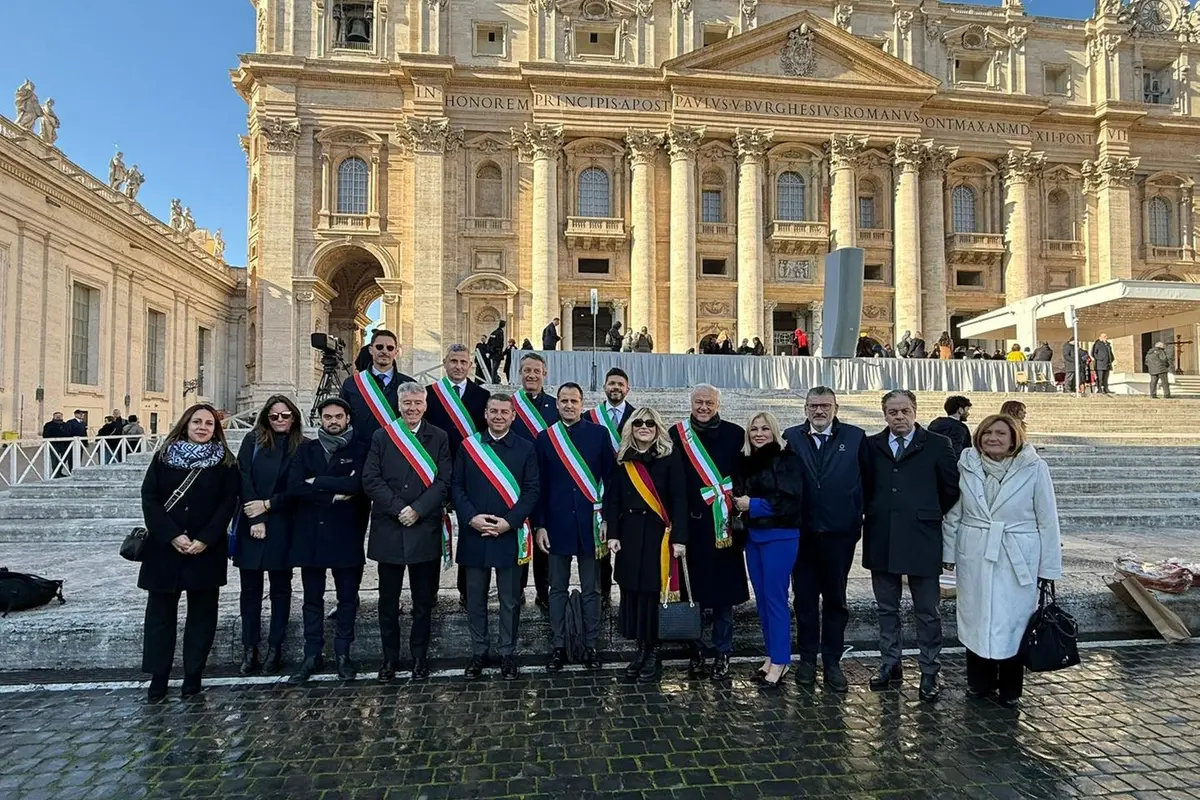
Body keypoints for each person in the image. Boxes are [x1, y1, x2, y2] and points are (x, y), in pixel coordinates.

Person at [943, 414, 1062, 707]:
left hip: (1017, 552)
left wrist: (1048, 567)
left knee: (1015, 621)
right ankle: (979, 683)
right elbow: (954, 514)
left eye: (1000, 433)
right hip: (975, 550)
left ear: (1014, 438)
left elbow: (1047, 520)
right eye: (987, 433)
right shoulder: (965, 465)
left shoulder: (1034, 468)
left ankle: (1010, 687)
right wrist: (948, 555)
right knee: (976, 616)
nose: (993, 438)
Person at [862, 390, 960, 702]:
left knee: (927, 610)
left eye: (904, 410)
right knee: (886, 608)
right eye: (892, 412)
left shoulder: (937, 444)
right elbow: (864, 485)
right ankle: (890, 663)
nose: (899, 417)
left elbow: (950, 488)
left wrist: (926, 513)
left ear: (915, 410)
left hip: (922, 537)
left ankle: (931, 670)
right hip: (882, 535)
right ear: (884, 414)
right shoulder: (871, 445)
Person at [138, 404, 239, 701]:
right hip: (165, 548)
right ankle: (159, 677)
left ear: (216, 430)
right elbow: (150, 498)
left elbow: (228, 503)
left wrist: (206, 538)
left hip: (206, 549)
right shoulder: (163, 456)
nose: (203, 427)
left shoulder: (226, 462)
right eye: (197, 422)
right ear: (186, 424)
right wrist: (171, 535)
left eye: (209, 423)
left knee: (202, 616)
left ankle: (193, 675)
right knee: (160, 616)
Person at [362, 382, 452, 682]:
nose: (412, 408)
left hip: (422, 527)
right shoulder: (383, 436)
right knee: (387, 602)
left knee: (422, 602)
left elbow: (443, 481)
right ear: (398, 405)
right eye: (407, 403)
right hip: (390, 526)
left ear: (425, 405)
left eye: (417, 403)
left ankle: (419, 657)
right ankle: (389, 659)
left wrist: (417, 509)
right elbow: (371, 479)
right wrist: (400, 508)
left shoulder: (438, 437)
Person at [783, 387, 868, 691]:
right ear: (805, 408)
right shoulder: (791, 437)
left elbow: (868, 480)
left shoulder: (855, 437)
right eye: (814, 406)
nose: (819, 411)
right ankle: (807, 659)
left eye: (825, 406)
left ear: (836, 407)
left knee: (836, 600)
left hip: (839, 534)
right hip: (802, 534)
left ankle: (832, 661)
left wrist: (856, 512)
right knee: (804, 600)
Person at [453, 394, 540, 679]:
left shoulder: (526, 449)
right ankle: (479, 651)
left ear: (513, 416)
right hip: (474, 533)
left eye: (505, 411)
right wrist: (472, 518)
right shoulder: (469, 446)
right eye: (494, 411)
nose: (499, 416)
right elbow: (457, 487)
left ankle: (507, 653)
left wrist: (509, 523)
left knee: (510, 599)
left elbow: (531, 491)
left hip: (508, 535)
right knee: (475, 598)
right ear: (486, 414)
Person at [287, 398, 371, 685]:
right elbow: (295, 487)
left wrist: (317, 482)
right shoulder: (306, 450)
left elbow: (357, 485)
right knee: (312, 599)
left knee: (347, 600)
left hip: (346, 535)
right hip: (310, 536)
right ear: (319, 419)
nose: (333, 421)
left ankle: (343, 654)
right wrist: (333, 493)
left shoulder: (360, 450)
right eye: (327, 417)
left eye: (338, 416)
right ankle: (312, 654)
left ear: (347, 418)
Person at [533, 383, 614, 671]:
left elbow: (611, 480)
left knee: (592, 589)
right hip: (556, 526)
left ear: (582, 404)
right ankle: (558, 645)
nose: (569, 405)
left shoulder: (599, 434)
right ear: (557, 405)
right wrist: (539, 526)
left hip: (591, 524)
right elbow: (538, 486)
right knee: (557, 588)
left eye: (574, 401)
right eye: (564, 400)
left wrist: (608, 520)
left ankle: (591, 645)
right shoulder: (545, 439)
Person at [669, 385, 747, 681]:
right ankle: (697, 652)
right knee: (694, 595)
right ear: (690, 402)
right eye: (699, 402)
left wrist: (735, 501)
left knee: (724, 596)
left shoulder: (735, 433)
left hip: (725, 527)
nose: (703, 407)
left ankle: (723, 652)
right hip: (693, 526)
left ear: (718, 404)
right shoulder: (677, 435)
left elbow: (742, 474)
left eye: (709, 403)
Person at [604, 407, 687, 682]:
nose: (644, 427)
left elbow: (679, 499)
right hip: (628, 534)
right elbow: (613, 498)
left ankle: (653, 653)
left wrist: (680, 539)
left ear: (657, 428)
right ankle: (640, 649)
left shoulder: (669, 457)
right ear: (631, 427)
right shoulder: (623, 458)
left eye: (650, 423)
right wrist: (613, 533)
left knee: (652, 594)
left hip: (657, 536)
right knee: (633, 592)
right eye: (638, 422)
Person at [233, 395, 304, 676]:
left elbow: (299, 488)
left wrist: (270, 505)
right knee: (249, 592)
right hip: (251, 524)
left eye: (285, 416)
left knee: (280, 590)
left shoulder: (303, 446)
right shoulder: (252, 442)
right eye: (274, 416)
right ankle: (249, 648)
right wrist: (257, 516)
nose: (280, 421)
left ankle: (276, 648)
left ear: (294, 417)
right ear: (266, 418)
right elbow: (243, 478)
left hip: (284, 525)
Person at [733, 412, 802, 688]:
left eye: (764, 429)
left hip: (780, 536)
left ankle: (781, 660)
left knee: (775, 599)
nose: (759, 433)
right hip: (754, 537)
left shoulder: (787, 461)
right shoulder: (746, 462)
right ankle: (772, 656)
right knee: (762, 600)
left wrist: (754, 505)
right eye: (753, 429)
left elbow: (791, 501)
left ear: (774, 431)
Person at [426, 345, 492, 609]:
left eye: (463, 362)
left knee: (471, 532)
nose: (458, 366)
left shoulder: (482, 395)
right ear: (445, 362)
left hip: (471, 472)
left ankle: (468, 590)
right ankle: (428, 590)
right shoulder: (430, 395)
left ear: (470, 365)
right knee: (430, 532)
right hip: (435, 471)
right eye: (453, 361)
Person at [510, 352, 559, 609]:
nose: (531, 375)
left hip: (547, 485)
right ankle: (516, 591)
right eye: (527, 370)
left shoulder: (555, 406)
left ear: (544, 373)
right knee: (518, 538)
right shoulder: (509, 406)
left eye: (536, 371)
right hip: (515, 485)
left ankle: (544, 591)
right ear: (520, 373)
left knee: (544, 541)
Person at [589, 367, 636, 603]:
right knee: (601, 550)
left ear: (627, 388)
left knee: (628, 547)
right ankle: (602, 594)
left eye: (620, 384)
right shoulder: (590, 417)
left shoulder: (639, 418)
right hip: (599, 490)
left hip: (630, 492)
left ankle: (628, 596)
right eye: (612, 384)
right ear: (605, 387)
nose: (616, 388)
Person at [340, 329, 416, 446]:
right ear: (371, 349)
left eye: (390, 348)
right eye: (379, 347)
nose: (384, 351)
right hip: (361, 453)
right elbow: (343, 419)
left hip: (398, 452)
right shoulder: (351, 384)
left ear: (396, 352)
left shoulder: (410, 385)